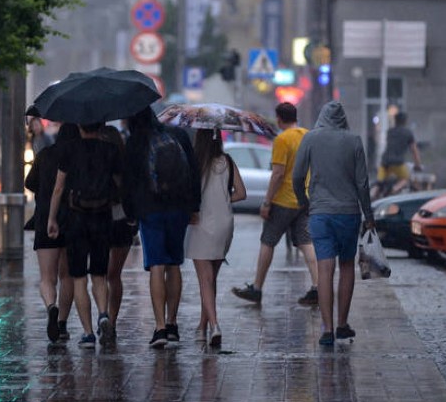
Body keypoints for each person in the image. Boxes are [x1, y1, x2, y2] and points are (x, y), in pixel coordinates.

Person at [292, 101, 375, 346]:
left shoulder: (310, 139)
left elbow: (297, 175)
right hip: (349, 214)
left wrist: (303, 201)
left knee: (324, 269)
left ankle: (326, 330)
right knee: (347, 266)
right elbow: (362, 183)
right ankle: (342, 324)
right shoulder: (354, 141)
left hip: (320, 213)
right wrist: (369, 215)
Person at [123, 107, 201, 348]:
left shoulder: (136, 142)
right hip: (179, 208)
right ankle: (173, 324)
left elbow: (129, 181)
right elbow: (194, 171)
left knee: (156, 265)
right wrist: (194, 206)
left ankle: (159, 329)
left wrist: (130, 214)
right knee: (174, 264)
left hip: (150, 210)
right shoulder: (178, 134)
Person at [232, 102, 319, 306]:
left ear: (279, 118)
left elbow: (278, 173)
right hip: (303, 199)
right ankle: (317, 287)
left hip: (283, 200)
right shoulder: (309, 136)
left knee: (268, 241)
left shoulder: (282, 139)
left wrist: (267, 202)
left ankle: (257, 288)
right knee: (306, 243)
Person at [47, 121, 122, 349]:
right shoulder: (111, 150)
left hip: (76, 218)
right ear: (100, 127)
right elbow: (119, 184)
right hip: (102, 217)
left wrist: (52, 218)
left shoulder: (69, 149)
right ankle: (103, 314)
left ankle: (88, 334)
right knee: (99, 275)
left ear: (80, 127)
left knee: (78, 277)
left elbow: (59, 188)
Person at [186, 128, 247, 347]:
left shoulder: (194, 162)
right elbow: (241, 192)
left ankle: (214, 326)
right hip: (224, 223)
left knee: (205, 280)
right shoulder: (227, 161)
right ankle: (202, 328)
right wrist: (223, 198)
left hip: (201, 223)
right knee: (211, 280)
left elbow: (186, 194)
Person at [24, 123, 77, 343]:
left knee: (47, 278)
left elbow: (30, 183)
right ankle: (62, 323)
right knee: (67, 276)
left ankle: (51, 306)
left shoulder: (45, 154)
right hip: (71, 220)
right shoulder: (78, 158)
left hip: (45, 219)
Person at [98, 124, 137, 342]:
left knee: (100, 275)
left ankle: (104, 315)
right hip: (122, 223)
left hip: (101, 220)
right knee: (115, 276)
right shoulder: (127, 167)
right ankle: (111, 320)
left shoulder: (97, 164)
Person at [371, 111, 422, 199]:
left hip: (384, 162)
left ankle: (372, 197)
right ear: (405, 121)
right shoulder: (408, 133)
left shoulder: (390, 132)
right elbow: (414, 150)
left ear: (395, 121)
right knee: (406, 179)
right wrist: (418, 164)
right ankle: (394, 189)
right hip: (398, 163)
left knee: (379, 183)